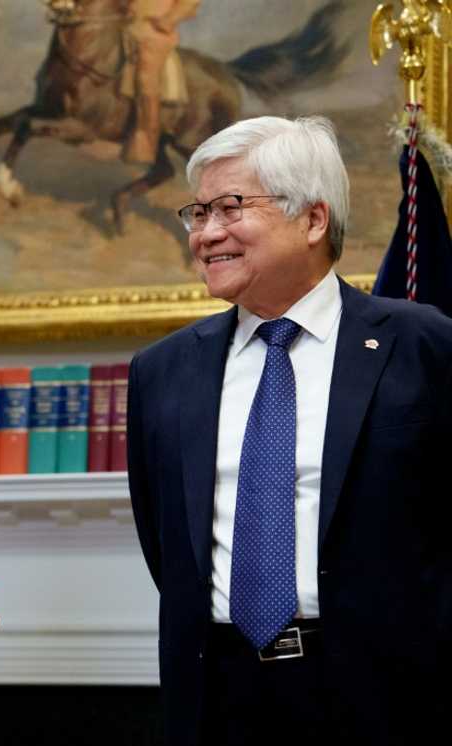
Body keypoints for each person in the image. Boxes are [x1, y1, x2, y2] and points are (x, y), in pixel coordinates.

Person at [127, 115, 452, 745]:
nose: (206, 234)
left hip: (390, 693)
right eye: (197, 213)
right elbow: (167, 548)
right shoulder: (163, 371)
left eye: (229, 207)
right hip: (217, 693)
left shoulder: (426, 345)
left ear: (313, 220)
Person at [121, 0, 200, 164]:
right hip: (125, 27)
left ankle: (146, 144)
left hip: (154, 32)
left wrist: (168, 20)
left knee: (146, 81)